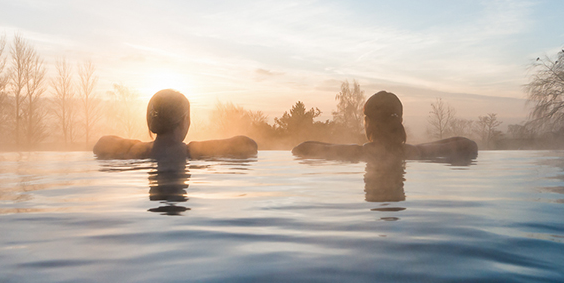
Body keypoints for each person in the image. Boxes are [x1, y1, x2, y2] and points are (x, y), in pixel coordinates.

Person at [291, 90, 478, 161]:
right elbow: (468, 144)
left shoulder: (357, 154)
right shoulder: (416, 153)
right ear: (400, 121)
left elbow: (301, 148)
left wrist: (343, 148)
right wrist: (424, 147)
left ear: (368, 123)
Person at [93, 89, 258, 159]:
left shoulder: (137, 151)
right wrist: (201, 148)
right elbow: (248, 145)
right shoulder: (190, 152)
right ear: (185, 121)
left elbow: (100, 144)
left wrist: (136, 146)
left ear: (150, 121)